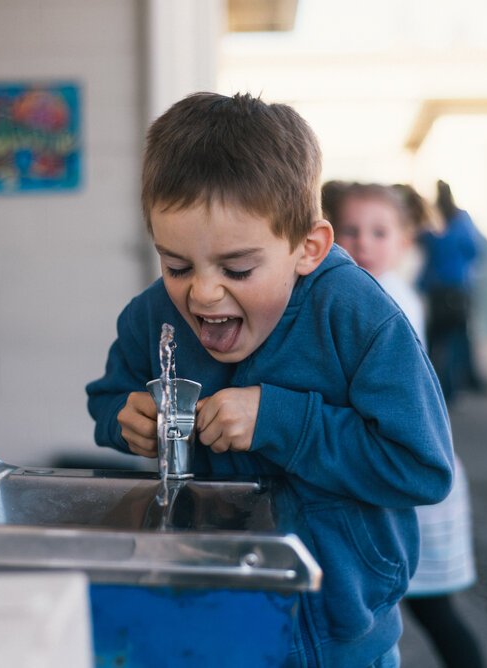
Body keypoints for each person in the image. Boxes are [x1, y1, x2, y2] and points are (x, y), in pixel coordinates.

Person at [86, 92, 454, 668]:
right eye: (176, 265)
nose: (202, 293)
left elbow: (422, 468)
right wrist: (124, 420)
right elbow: (108, 398)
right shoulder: (152, 316)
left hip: (342, 633)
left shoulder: (357, 316)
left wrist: (283, 421)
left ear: (308, 248)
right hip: (210, 619)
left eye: (237, 269)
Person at [329, 181, 484, 668]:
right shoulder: (369, 292)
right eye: (350, 231)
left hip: (412, 488)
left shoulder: (385, 300)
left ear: (405, 241)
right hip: (394, 481)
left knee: (429, 610)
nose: (363, 243)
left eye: (379, 232)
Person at [418, 180, 487, 402]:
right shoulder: (462, 219)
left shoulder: (433, 221)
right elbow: (474, 249)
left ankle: (436, 387)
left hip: (435, 287)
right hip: (458, 287)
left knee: (435, 339)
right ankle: (450, 389)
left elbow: (423, 244)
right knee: (456, 338)